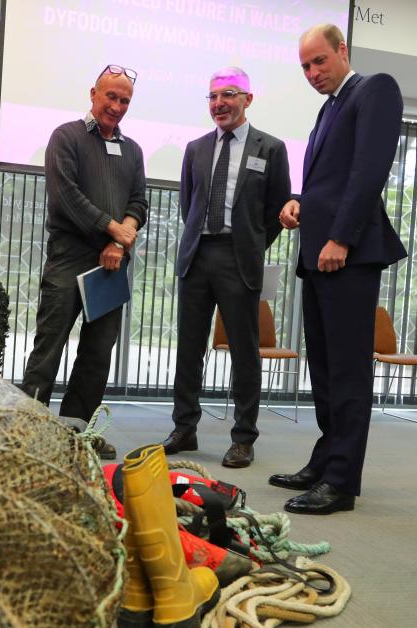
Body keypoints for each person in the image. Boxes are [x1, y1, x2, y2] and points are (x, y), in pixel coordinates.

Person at [273, 24, 407, 514]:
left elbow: (369, 171)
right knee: (324, 369)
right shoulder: (329, 107)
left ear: (342, 50)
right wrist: (299, 203)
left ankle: (341, 482)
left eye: (319, 62)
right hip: (319, 253)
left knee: (348, 371)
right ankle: (326, 459)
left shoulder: (376, 89)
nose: (312, 73)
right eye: (305, 66)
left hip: (346, 254)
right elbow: (330, 182)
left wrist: (340, 237)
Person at [162, 67, 290, 468]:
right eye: (213, 96)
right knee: (189, 348)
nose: (220, 103)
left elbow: (276, 211)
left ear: (247, 100)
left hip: (240, 259)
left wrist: (249, 246)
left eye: (229, 94)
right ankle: (185, 428)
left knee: (245, 353)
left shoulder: (271, 148)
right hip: (198, 255)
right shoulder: (196, 148)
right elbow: (189, 205)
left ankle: (243, 438)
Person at [19, 65, 148, 460]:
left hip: (113, 263)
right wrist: (114, 229)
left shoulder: (133, 150)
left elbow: (139, 202)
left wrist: (120, 243)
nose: (117, 106)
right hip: (69, 257)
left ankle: (80, 431)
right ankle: (29, 431)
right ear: (93, 94)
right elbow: (66, 198)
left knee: (97, 353)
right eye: (111, 96)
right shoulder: (66, 137)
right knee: (49, 346)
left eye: (124, 100)